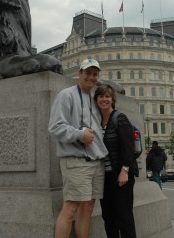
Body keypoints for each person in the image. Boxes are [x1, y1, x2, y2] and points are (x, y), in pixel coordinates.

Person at [48, 58, 108, 238]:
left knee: (88, 206)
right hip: (76, 161)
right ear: (79, 73)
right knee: (71, 207)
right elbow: (55, 127)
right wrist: (79, 134)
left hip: (96, 162)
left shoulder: (93, 98)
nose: (91, 77)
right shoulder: (66, 95)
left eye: (95, 74)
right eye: (87, 73)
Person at [94, 83, 137, 238]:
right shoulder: (96, 121)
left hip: (121, 175)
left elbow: (129, 148)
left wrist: (124, 171)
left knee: (124, 217)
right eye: (100, 96)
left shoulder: (120, 118)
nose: (104, 99)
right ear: (96, 99)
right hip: (104, 177)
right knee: (108, 217)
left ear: (112, 99)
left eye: (107, 96)